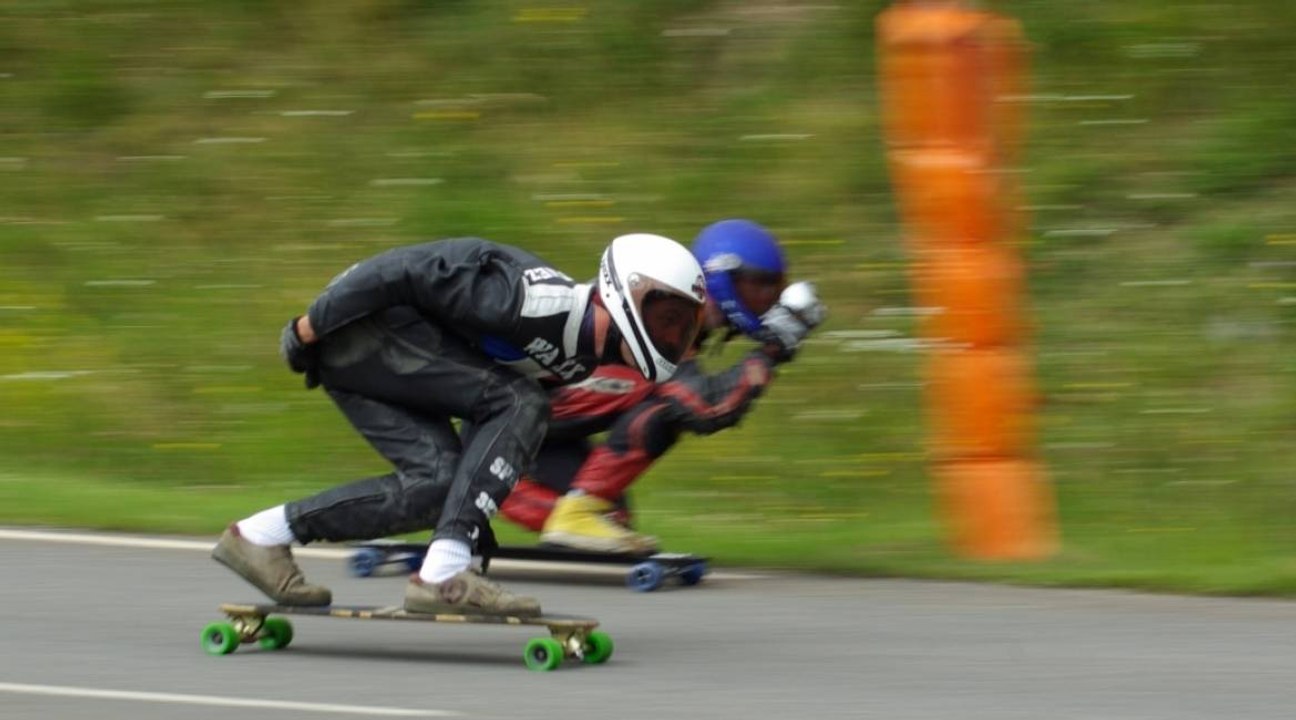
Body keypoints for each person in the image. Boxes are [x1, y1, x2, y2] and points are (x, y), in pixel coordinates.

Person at [211, 233, 708, 616]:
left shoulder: (581, 358)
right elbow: (403, 268)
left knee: (440, 487)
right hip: (358, 330)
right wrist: (309, 326)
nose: (674, 336)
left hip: (390, 353)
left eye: (682, 325)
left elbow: (486, 425)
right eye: (666, 317)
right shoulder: (531, 301)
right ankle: (442, 578)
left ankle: (258, 537)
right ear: (624, 291)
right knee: (524, 403)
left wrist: (467, 519)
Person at [496, 219, 827, 553]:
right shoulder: (663, 313)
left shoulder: (677, 312)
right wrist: (772, 351)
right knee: (668, 394)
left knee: (613, 518)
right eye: (760, 288)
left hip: (536, 439)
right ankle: (566, 508)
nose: (766, 304)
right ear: (725, 279)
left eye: (773, 291)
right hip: (503, 441)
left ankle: (574, 511)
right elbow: (706, 407)